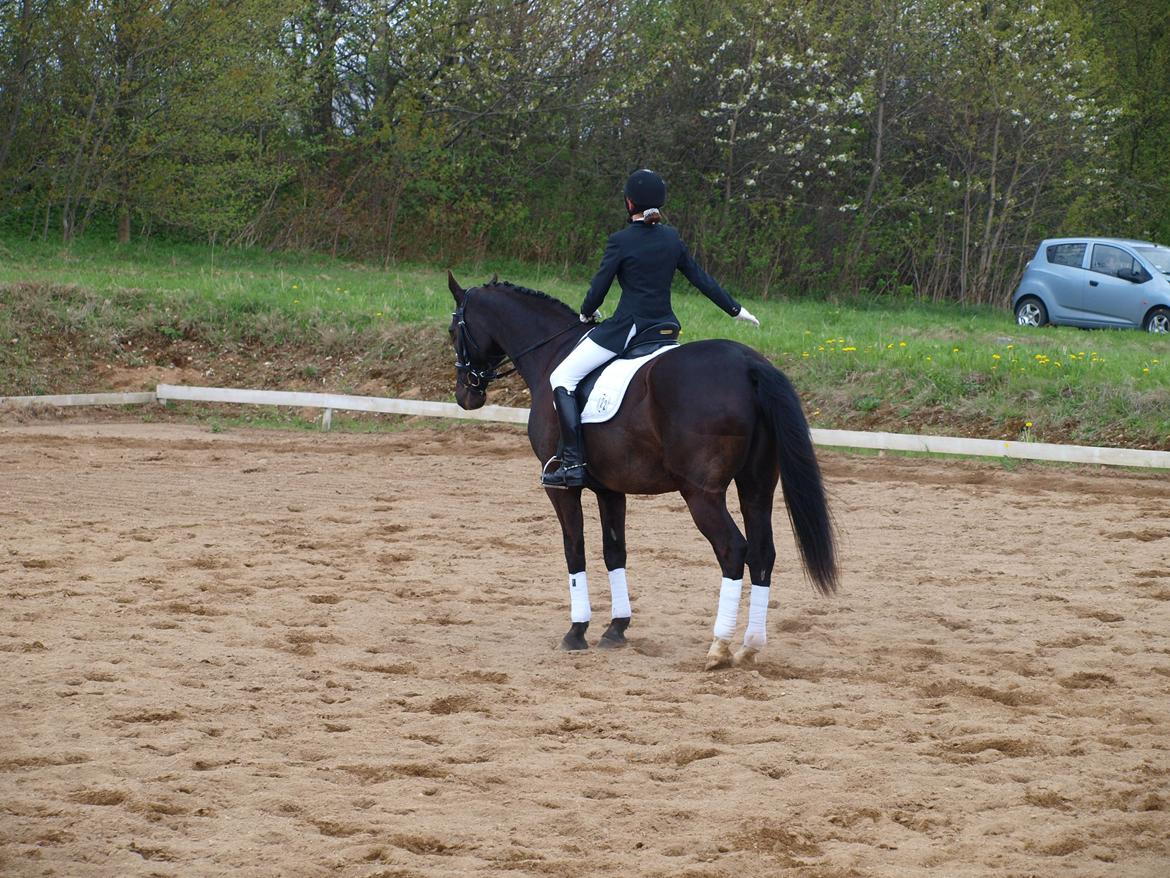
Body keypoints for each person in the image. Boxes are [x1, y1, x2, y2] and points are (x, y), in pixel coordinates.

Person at [542, 168, 761, 488]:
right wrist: (735, 309)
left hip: (628, 328)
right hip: (665, 329)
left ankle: (573, 463)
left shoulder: (620, 241)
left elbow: (599, 288)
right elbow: (701, 278)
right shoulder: (671, 238)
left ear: (629, 203)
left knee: (562, 377)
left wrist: (587, 313)